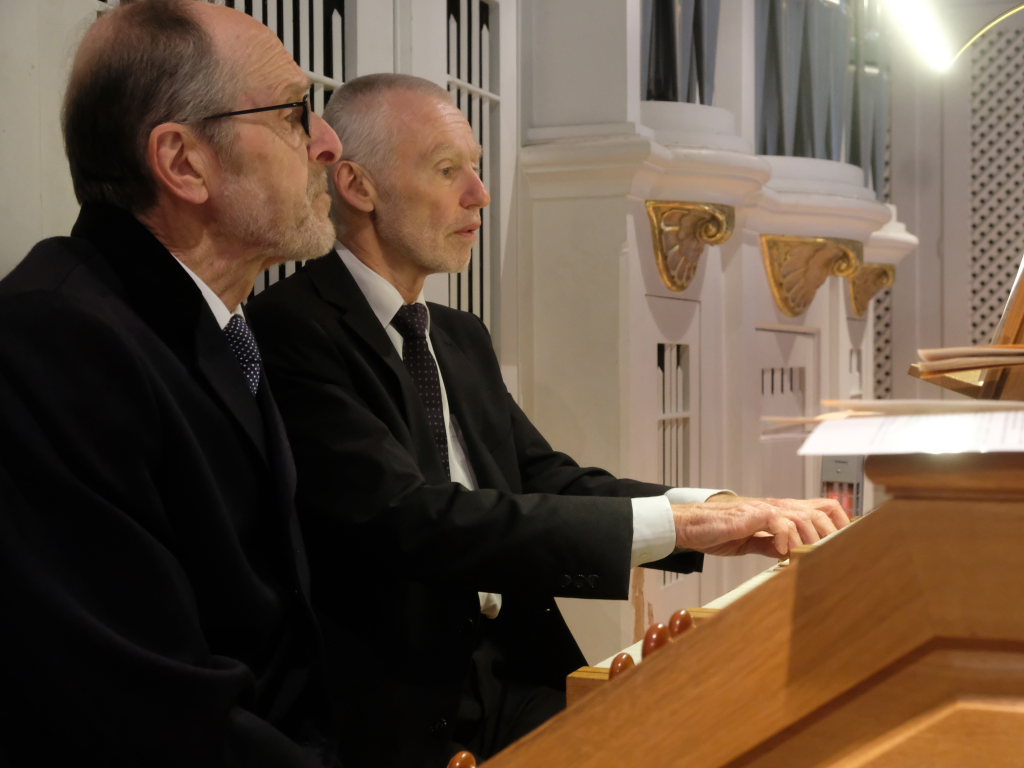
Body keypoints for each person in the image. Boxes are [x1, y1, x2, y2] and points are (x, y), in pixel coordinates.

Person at [247, 73, 849, 768]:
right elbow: (412, 518)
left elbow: (544, 478)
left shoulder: (457, 335)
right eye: (447, 170)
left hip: (519, 672)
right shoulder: (292, 330)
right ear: (358, 186)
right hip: (402, 706)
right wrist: (680, 525)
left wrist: (715, 511)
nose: (479, 194)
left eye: (476, 167)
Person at [0, 1, 344, 765]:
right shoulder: (54, 341)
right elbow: (142, 704)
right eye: (296, 112)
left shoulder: (213, 316)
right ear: (183, 162)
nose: (328, 142)